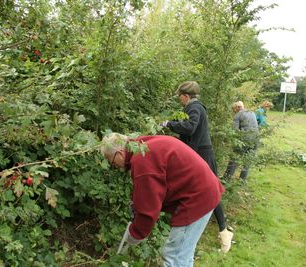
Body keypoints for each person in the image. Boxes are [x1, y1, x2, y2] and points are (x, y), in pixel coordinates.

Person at [101, 133, 227, 266]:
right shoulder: (142, 146)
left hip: (197, 198)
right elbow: (149, 189)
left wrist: (135, 234)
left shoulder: (142, 159)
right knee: (183, 254)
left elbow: (148, 209)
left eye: (112, 162)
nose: (115, 166)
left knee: (174, 255)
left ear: (119, 153)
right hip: (204, 191)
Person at [160, 81, 233, 252]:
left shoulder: (194, 108)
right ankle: (219, 229)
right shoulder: (193, 107)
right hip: (200, 152)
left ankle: (224, 231)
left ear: (186, 96)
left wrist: (168, 124)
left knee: (210, 190)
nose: (179, 100)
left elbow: (190, 127)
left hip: (202, 154)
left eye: (180, 97)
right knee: (206, 190)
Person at [223, 101, 259, 182]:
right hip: (256, 139)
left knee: (234, 158)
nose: (233, 111)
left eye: (233, 109)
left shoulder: (237, 115)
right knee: (248, 160)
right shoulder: (252, 112)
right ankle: (242, 180)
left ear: (237, 108)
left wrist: (230, 142)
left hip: (244, 139)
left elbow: (235, 132)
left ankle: (226, 178)